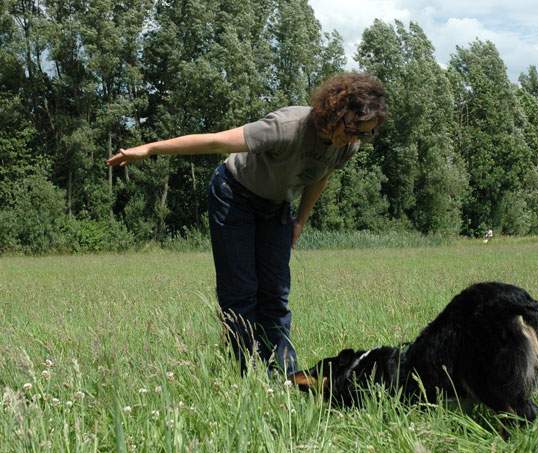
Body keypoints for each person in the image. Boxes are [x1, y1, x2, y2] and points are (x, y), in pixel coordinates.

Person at [107, 73, 388, 376]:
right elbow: (215, 141)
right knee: (241, 293)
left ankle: (282, 377)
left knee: (275, 294)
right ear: (336, 108)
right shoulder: (286, 127)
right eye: (354, 127)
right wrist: (150, 149)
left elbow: (322, 175)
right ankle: (246, 375)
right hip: (234, 195)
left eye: (365, 133)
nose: (356, 137)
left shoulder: (347, 146)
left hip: (276, 206)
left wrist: (300, 221)